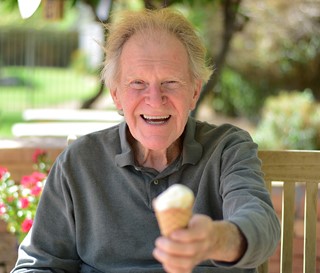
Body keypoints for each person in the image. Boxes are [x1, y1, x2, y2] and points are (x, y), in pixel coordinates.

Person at [11, 8, 280, 273]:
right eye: (138, 82)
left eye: (170, 82)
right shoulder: (80, 161)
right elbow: (39, 263)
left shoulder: (227, 149)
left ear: (195, 91)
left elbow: (260, 221)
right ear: (116, 94)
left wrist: (215, 239)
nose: (155, 99)